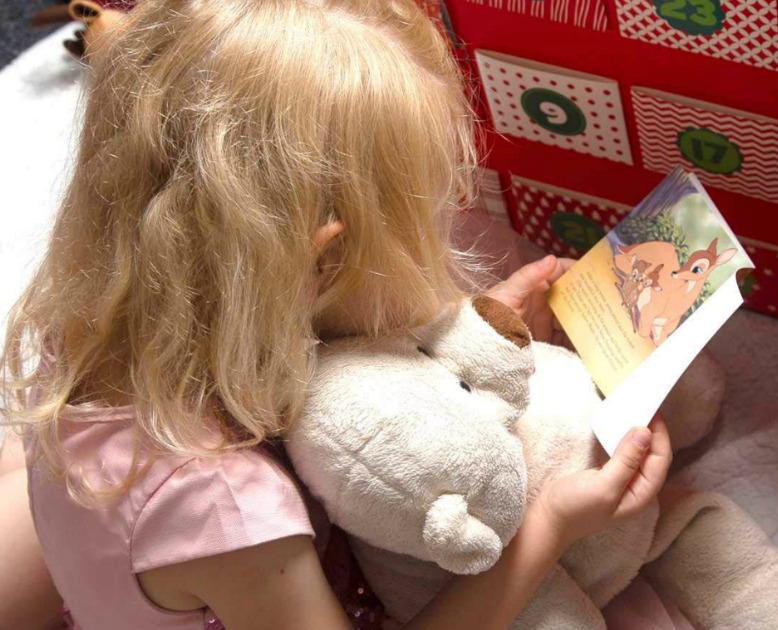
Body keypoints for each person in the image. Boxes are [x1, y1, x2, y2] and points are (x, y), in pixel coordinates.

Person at [0, 0, 671, 628]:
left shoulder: (108, 312)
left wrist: (473, 329)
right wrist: (550, 525)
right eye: (426, 224)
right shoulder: (232, 514)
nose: (443, 237)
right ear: (314, 264)